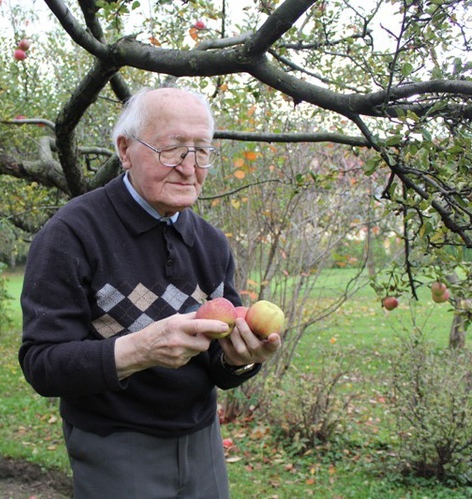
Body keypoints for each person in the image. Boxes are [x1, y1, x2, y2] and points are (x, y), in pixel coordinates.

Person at [19, 86, 281, 498]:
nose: (188, 167)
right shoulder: (71, 235)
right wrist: (138, 351)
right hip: (114, 443)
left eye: (201, 151)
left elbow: (218, 364)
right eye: (173, 149)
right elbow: (42, 363)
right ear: (125, 150)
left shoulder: (211, 244)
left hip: (202, 440)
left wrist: (239, 359)